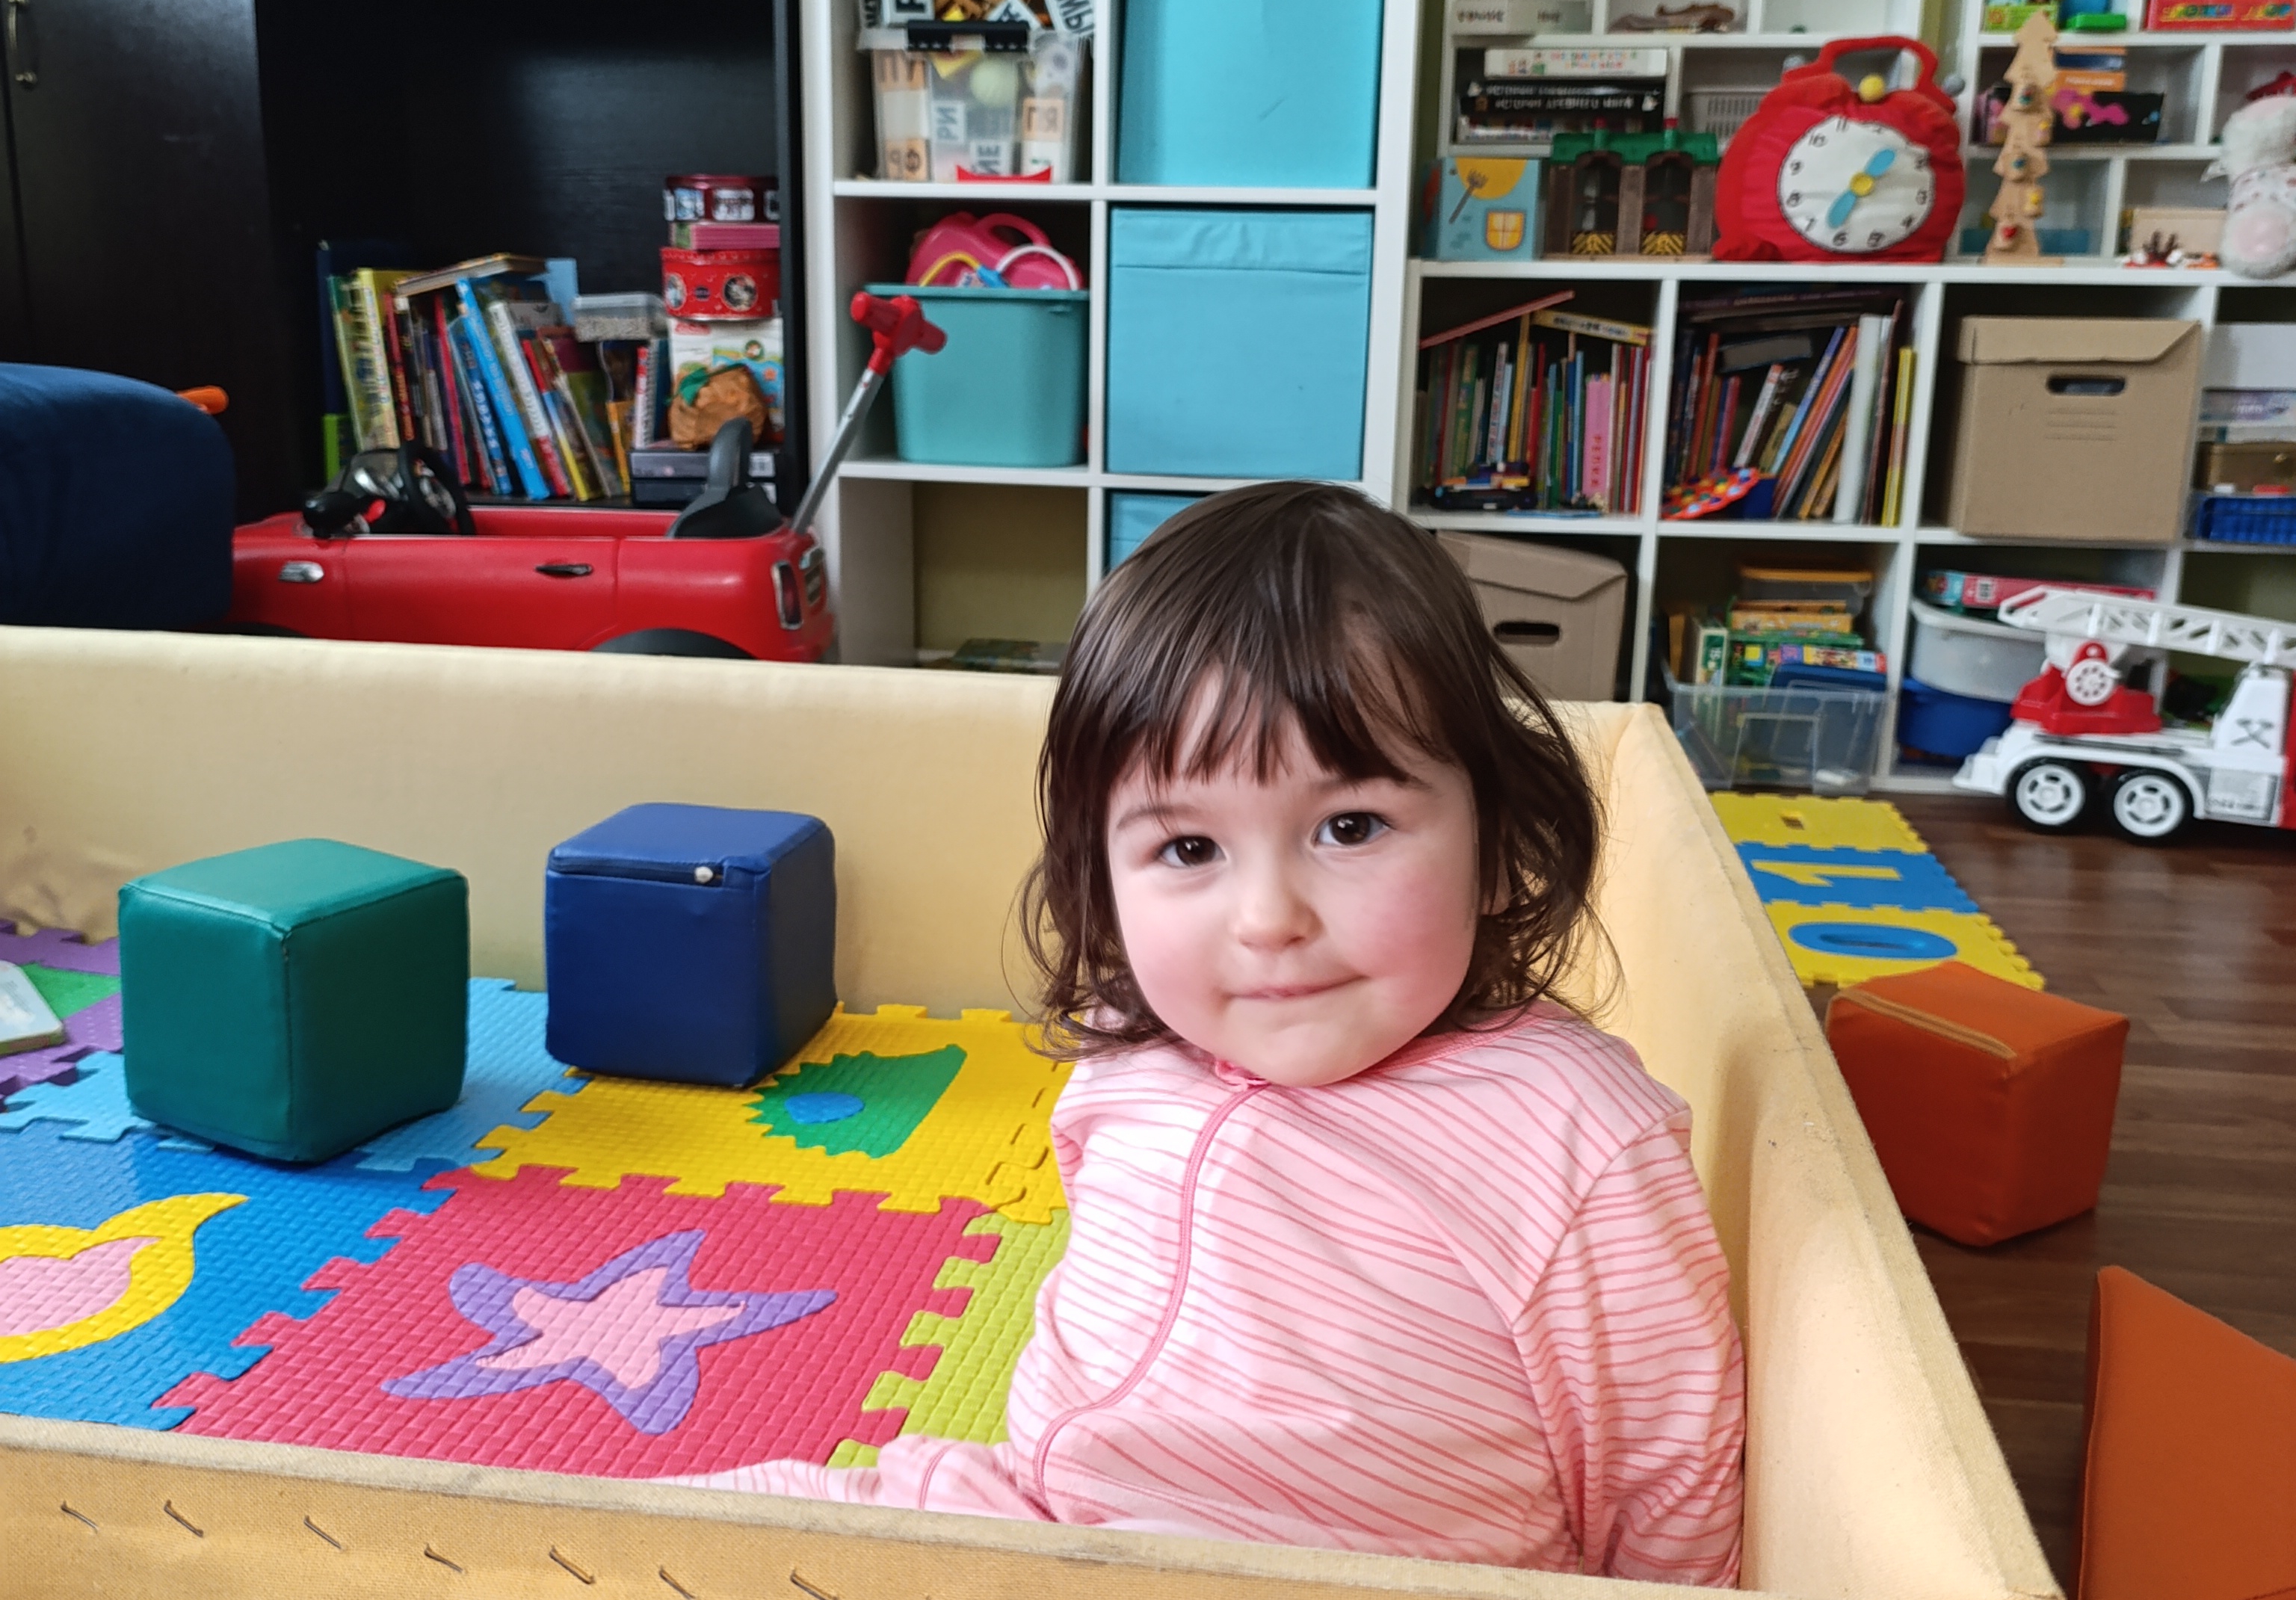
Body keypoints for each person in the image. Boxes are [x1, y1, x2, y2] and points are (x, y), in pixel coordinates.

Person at [686, 481, 1745, 1584]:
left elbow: (1668, 1467)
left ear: (1494, 841)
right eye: (1190, 849)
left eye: (1351, 826)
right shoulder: (1131, 1049)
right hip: (1033, 1520)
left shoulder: (1569, 1132)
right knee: (681, 1532)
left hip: (1342, 1574)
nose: (1269, 918)